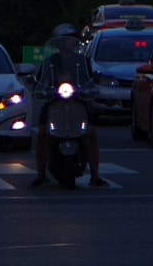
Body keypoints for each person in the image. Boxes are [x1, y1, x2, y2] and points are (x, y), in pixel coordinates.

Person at [29, 23, 93, 188]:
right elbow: (40, 81)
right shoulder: (50, 62)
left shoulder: (82, 60)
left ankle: (95, 176)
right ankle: (41, 174)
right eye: (68, 39)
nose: (72, 42)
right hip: (54, 101)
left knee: (91, 133)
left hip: (77, 100)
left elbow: (89, 80)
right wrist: (40, 88)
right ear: (59, 43)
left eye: (73, 39)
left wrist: (90, 88)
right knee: (42, 132)